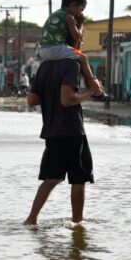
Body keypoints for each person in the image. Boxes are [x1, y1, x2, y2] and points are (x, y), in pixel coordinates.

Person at [23, 55, 95, 226]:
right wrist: (89, 93)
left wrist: (50, 96)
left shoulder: (44, 66)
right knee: (79, 177)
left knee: (51, 177)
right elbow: (67, 99)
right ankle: (77, 224)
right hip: (72, 130)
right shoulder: (71, 65)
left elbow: (31, 100)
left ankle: (31, 218)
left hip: (51, 130)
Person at [36, 0, 106, 100]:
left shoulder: (55, 14)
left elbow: (74, 46)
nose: (80, 13)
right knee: (83, 58)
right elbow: (77, 37)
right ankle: (95, 89)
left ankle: (91, 86)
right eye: (80, 10)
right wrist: (81, 23)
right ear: (73, 5)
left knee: (76, 55)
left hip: (43, 50)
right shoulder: (69, 17)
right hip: (55, 48)